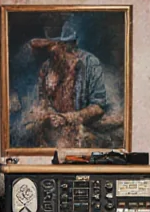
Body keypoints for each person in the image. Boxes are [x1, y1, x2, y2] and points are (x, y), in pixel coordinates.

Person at [21, 19, 111, 148]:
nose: (49, 53)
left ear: (64, 46)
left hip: (82, 132)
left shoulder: (90, 63)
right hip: (54, 134)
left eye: (52, 48)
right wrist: (49, 113)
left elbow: (99, 106)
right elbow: (43, 100)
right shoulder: (46, 67)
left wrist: (68, 118)